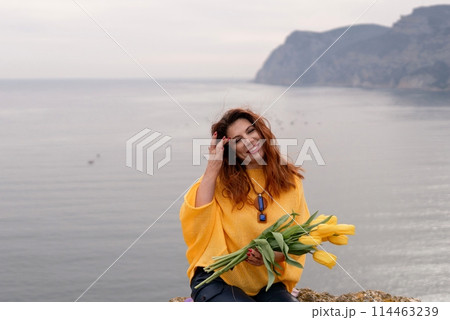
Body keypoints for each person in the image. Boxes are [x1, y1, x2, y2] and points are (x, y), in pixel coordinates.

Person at [179, 107, 310, 302]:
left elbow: (301, 239)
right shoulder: (219, 182)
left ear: (262, 132)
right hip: (218, 278)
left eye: (251, 131)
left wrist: (273, 256)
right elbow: (197, 223)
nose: (248, 141)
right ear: (230, 149)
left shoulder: (289, 180)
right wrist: (212, 168)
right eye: (237, 140)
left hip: (267, 283)